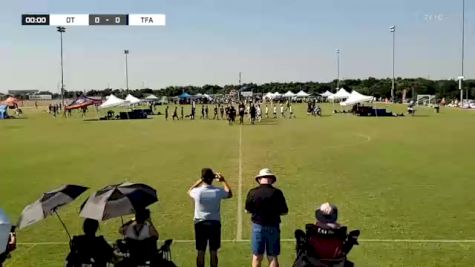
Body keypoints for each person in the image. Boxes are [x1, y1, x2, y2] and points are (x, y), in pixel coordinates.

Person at [188, 168, 233, 267]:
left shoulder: (197, 192)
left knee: (200, 251)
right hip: (214, 224)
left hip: (200, 223)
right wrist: (223, 180)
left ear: (203, 178)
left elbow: (189, 190)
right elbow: (229, 193)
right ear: (212, 178)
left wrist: (200, 180)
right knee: (213, 252)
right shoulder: (217, 191)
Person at [245, 168, 288, 267]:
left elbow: (247, 210)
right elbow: (284, 211)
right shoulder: (277, 192)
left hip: (258, 227)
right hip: (273, 227)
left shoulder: (252, 192)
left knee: (256, 256)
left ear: (259, 179)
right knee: (272, 256)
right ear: (271, 179)